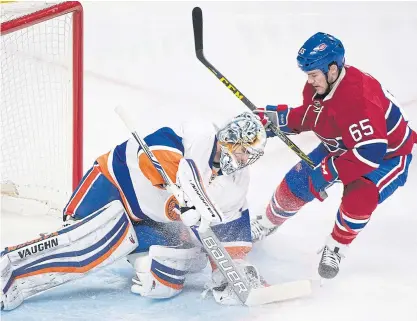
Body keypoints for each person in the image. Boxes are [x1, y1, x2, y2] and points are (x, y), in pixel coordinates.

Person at [1, 112, 268, 310]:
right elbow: (153, 156)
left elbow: (230, 227)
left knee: (174, 270)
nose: (244, 159)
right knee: (101, 240)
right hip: (109, 191)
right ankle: (10, 270)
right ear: (230, 140)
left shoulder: (237, 182)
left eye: (250, 155)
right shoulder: (196, 133)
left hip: (147, 222)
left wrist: (231, 268)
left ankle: (136, 254)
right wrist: (183, 199)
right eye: (242, 150)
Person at [251, 32, 417, 279]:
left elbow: (370, 153)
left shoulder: (359, 98)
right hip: (344, 145)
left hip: (386, 157)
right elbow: (314, 116)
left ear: (332, 69)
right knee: (298, 181)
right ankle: (265, 223)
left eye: (313, 75)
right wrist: (276, 120)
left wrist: (328, 172)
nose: (309, 81)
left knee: (360, 195)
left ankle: (337, 246)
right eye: (307, 75)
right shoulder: (321, 85)